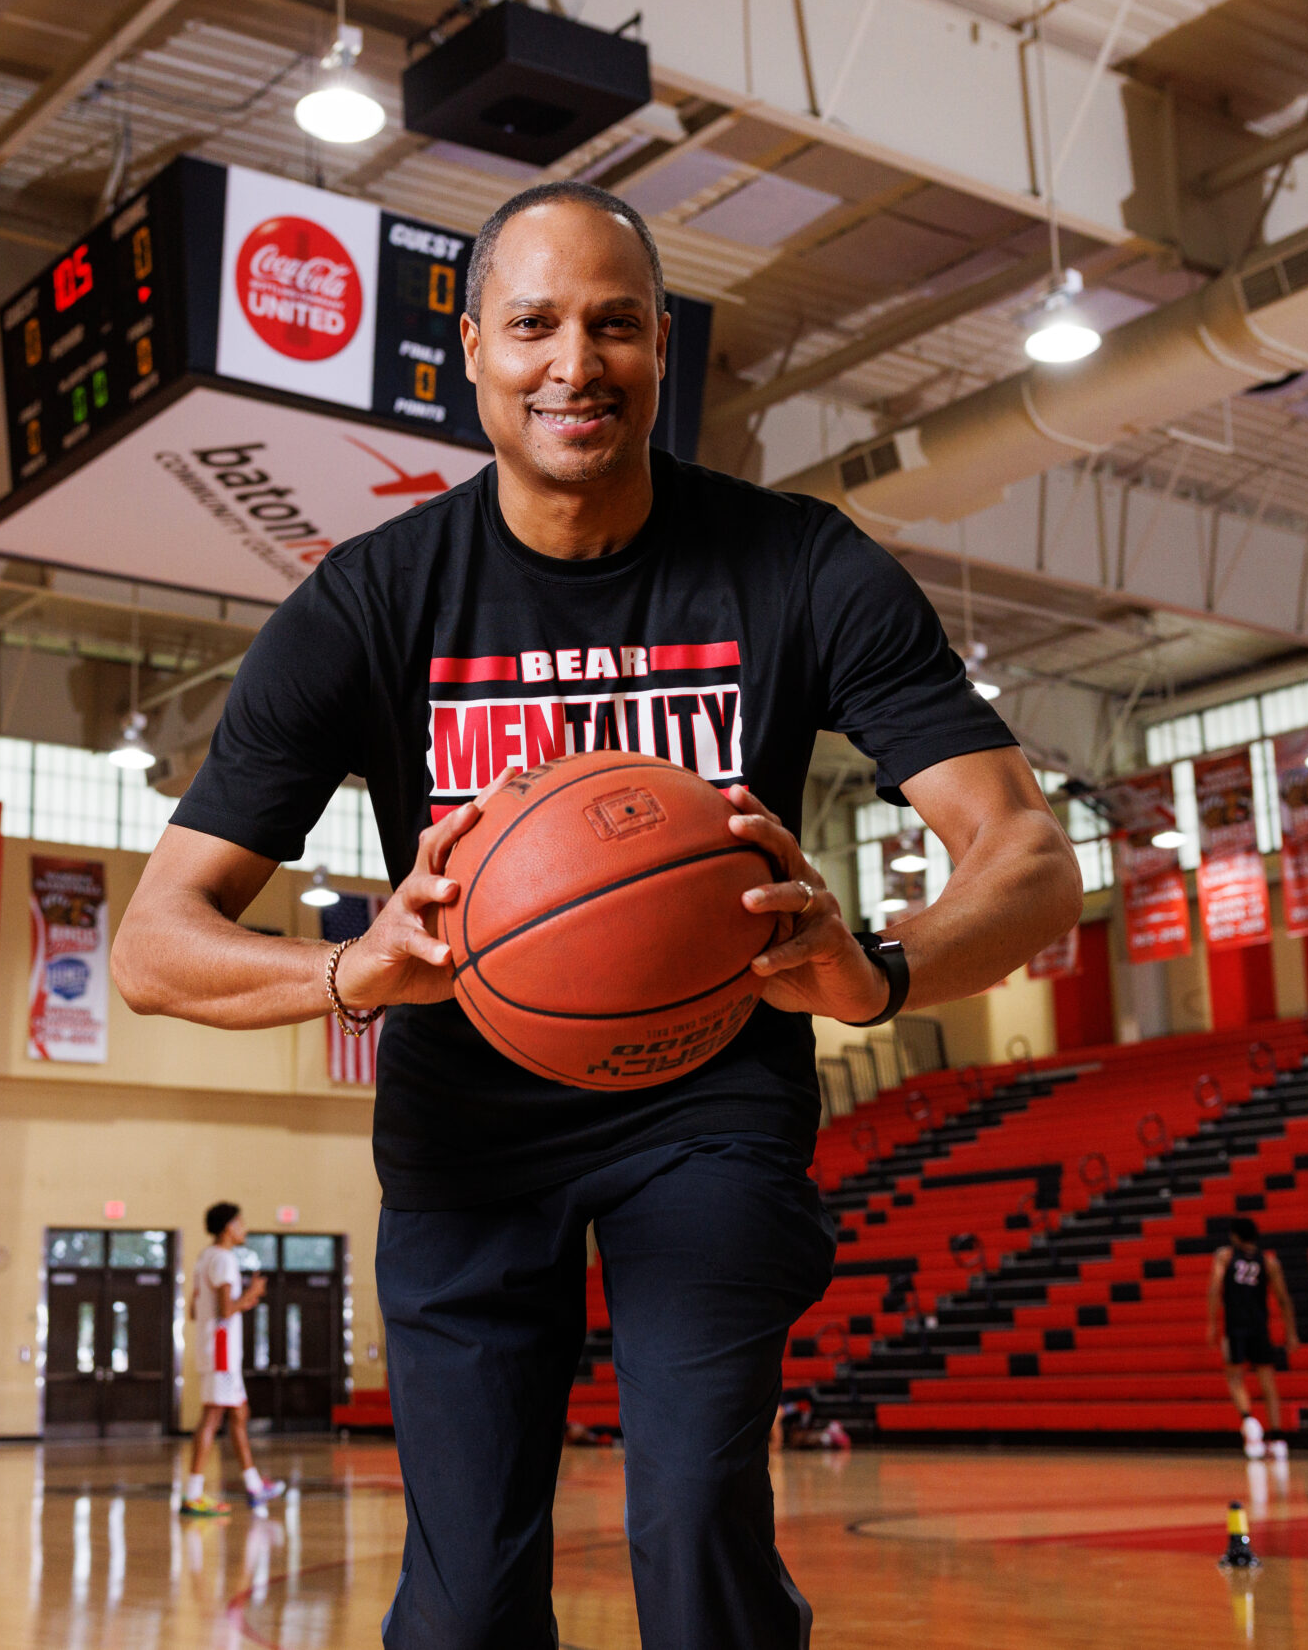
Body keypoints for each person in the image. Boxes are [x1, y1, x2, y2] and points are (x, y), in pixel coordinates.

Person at [110, 179, 1079, 1648]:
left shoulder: (798, 566)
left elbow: (1026, 857)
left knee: (691, 1521)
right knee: (462, 1608)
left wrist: (874, 973)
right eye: (537, 325)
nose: (578, 362)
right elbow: (153, 944)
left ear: (661, 353)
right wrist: (353, 970)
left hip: (706, 1109)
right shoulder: (371, 604)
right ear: (472, 355)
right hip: (463, 1132)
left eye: (616, 325)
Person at [181, 1203, 286, 1517]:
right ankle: (193, 1494)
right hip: (222, 1351)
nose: (245, 1229)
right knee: (213, 1417)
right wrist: (252, 1293)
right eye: (240, 1223)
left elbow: (193, 1311)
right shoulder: (225, 1259)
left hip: (213, 1347)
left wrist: (244, 1300)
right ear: (228, 1227)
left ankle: (254, 1486)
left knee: (240, 1413)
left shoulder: (204, 1258)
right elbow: (226, 1310)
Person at [1205, 1218, 1298, 1458]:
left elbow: (1214, 1288)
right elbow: (1283, 1299)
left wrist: (1212, 1324)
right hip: (1260, 1326)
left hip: (1235, 1326)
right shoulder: (1269, 1262)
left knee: (1235, 1377)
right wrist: (1291, 1332)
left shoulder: (1225, 1256)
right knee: (1268, 1381)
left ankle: (1249, 1421)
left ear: (1235, 1236)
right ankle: (1277, 1438)